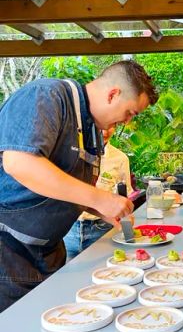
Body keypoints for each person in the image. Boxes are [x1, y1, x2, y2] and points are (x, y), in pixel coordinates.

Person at [0, 60, 158, 312]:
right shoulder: (47, 96)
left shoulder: (91, 129)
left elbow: (64, 186)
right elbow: (19, 163)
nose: (127, 121)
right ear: (113, 94)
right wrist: (98, 199)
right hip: (8, 252)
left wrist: (99, 208)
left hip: (49, 253)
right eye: (130, 113)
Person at [63, 127, 134, 259]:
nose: (106, 132)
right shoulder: (70, 153)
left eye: (111, 126)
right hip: (69, 230)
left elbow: (125, 195)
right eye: (100, 127)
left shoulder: (120, 158)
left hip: (101, 229)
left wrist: (124, 217)